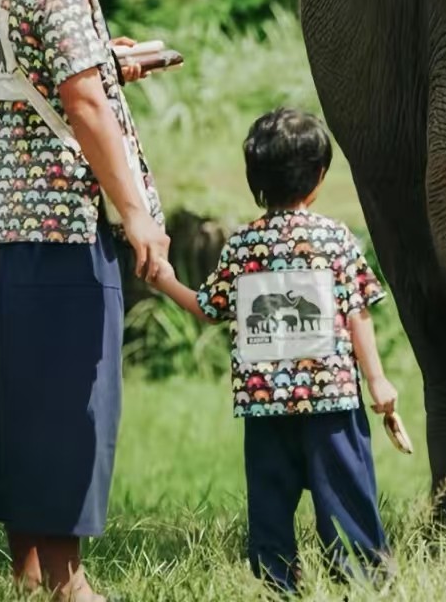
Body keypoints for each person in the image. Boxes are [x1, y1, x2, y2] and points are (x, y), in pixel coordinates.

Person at [0, 0, 207, 601]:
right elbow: (85, 104)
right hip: (62, 225)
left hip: (2, 225)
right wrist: (138, 217)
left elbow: (38, 76)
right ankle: (71, 583)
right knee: (72, 404)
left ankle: (29, 571)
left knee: (21, 402)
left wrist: (113, 56)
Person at [151, 107, 396, 592]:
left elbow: (209, 307)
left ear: (255, 180)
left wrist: (164, 279)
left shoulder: (243, 244)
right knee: (347, 498)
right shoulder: (335, 239)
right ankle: (363, 583)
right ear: (320, 176)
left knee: (269, 502)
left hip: (264, 405)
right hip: (331, 402)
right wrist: (379, 383)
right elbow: (357, 312)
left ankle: (276, 582)